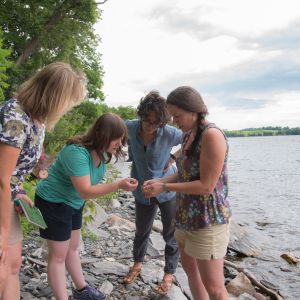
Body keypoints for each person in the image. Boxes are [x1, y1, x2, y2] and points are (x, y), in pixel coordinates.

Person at [0, 62, 86, 300]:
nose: (68, 109)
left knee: (14, 264)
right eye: (69, 102)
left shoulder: (38, 121)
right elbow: (1, 177)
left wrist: (17, 192)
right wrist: (2, 230)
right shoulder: (15, 115)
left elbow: (15, 172)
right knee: (2, 267)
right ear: (56, 97)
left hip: (9, 196)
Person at [34, 112, 138, 300]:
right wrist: (118, 185)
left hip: (73, 202)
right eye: (116, 138)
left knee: (72, 248)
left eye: (122, 139)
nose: (119, 143)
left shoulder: (103, 153)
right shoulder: (76, 152)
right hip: (53, 202)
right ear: (102, 135)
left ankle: (82, 290)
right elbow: (86, 191)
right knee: (58, 256)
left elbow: (83, 193)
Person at [143, 86, 231, 300]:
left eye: (177, 116)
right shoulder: (188, 135)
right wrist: (160, 180)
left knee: (216, 289)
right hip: (185, 217)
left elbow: (206, 186)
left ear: (194, 110)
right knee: (192, 272)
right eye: (172, 116)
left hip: (208, 220)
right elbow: (183, 173)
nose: (174, 121)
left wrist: (164, 187)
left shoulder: (212, 135)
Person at [123, 91, 182, 295]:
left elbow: (194, 138)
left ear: (162, 122)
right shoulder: (129, 127)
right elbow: (111, 133)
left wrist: (174, 156)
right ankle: (137, 264)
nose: (150, 126)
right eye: (146, 120)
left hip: (168, 190)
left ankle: (169, 274)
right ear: (141, 115)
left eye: (156, 122)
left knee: (170, 234)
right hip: (142, 191)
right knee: (141, 231)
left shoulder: (170, 133)